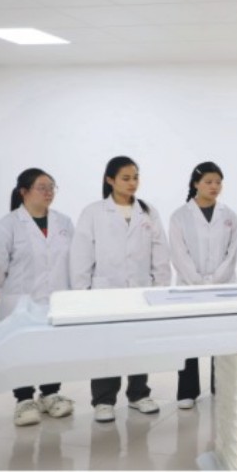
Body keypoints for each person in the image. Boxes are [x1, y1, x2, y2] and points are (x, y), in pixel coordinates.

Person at [70, 156, 171, 423]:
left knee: (139, 342)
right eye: (125, 178)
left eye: (135, 177)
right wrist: (82, 293)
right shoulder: (93, 212)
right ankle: (104, 400)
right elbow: (81, 254)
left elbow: (160, 251)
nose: (132, 183)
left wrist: (160, 287)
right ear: (110, 180)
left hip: (141, 289)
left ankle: (138, 394)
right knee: (107, 346)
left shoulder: (148, 211)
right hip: (105, 291)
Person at [0, 168, 75, 426]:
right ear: (23, 191)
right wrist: (8, 290)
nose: (49, 192)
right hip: (20, 302)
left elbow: (73, 259)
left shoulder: (64, 223)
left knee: (52, 348)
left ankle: (50, 394)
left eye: (52, 187)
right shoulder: (5, 226)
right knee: (21, 350)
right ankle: (24, 400)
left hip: (56, 300)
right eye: (42, 187)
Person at [169, 161, 237, 409]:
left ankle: (219, 386)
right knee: (188, 337)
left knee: (221, 337)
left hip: (223, 287)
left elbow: (232, 254)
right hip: (189, 288)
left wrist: (215, 280)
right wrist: (199, 282)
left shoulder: (230, 216)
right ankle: (187, 391)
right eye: (209, 182)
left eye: (218, 182)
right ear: (195, 184)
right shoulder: (180, 216)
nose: (214, 186)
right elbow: (179, 254)